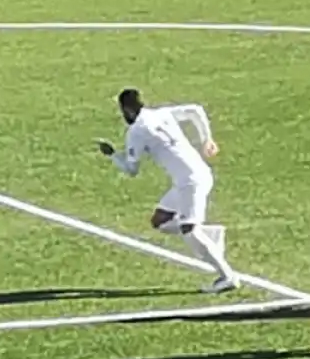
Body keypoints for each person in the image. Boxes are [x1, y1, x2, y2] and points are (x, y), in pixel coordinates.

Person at [95, 89, 240, 294]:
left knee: (189, 229)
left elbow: (132, 170)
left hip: (191, 182)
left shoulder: (136, 132)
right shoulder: (161, 113)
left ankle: (227, 277)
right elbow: (195, 111)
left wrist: (112, 155)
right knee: (160, 222)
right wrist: (207, 139)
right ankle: (211, 235)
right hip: (192, 177)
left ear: (127, 109)